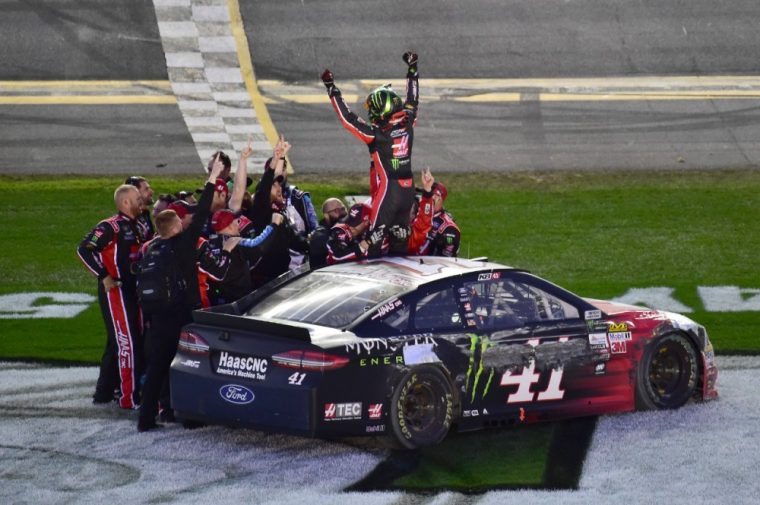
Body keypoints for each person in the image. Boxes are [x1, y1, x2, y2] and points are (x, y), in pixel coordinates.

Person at [138, 159, 234, 431]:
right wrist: (213, 177)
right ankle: (189, 418)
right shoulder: (183, 244)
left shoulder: (151, 249)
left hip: (157, 318)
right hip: (183, 315)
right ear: (176, 226)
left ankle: (146, 419)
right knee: (189, 364)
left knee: (157, 369)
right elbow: (203, 211)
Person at [321, 51, 419, 255]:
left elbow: (348, 119)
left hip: (389, 193)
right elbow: (413, 98)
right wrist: (412, 69)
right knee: (401, 238)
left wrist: (332, 89)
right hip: (409, 190)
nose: (371, 113)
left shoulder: (376, 134)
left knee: (374, 240)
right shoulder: (408, 122)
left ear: (382, 110)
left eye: (374, 108)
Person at [77, 184, 144, 409]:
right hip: (117, 290)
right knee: (127, 344)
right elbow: (84, 249)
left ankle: (107, 392)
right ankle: (128, 397)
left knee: (122, 341)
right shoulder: (110, 226)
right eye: (137, 197)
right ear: (125, 202)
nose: (141, 200)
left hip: (135, 291)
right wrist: (104, 276)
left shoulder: (140, 225)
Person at [207, 209, 284, 304]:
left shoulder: (209, 244)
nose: (239, 225)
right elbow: (258, 246)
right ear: (230, 225)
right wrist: (274, 224)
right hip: (239, 303)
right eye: (237, 221)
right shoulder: (233, 242)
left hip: (217, 303)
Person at [413, 181, 461, 257]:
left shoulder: (448, 228)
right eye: (424, 195)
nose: (424, 198)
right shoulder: (415, 210)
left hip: (425, 266)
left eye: (428, 196)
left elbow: (445, 261)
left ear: (438, 199)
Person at [308, 197, 347, 269]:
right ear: (326, 215)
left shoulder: (346, 229)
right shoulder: (319, 235)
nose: (341, 213)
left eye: (343, 209)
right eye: (336, 210)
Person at [126, 176, 155, 242]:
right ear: (135, 193)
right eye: (146, 189)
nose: (151, 192)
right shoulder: (131, 219)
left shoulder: (145, 214)